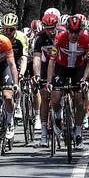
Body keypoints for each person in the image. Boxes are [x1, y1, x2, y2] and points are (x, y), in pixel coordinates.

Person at [46, 15, 89, 150]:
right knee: (55, 99)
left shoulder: (86, 40)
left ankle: (78, 133)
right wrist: (49, 81)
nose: (74, 34)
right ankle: (57, 117)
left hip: (78, 70)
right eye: (71, 31)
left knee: (80, 101)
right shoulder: (59, 38)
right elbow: (52, 60)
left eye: (77, 31)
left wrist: (84, 79)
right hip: (61, 69)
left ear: (81, 30)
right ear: (67, 29)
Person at [33, 13, 60, 146]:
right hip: (45, 67)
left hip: (60, 66)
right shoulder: (39, 38)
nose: (50, 31)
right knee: (44, 97)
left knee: (58, 96)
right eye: (47, 28)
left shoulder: (62, 35)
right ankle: (43, 132)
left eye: (53, 27)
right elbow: (37, 58)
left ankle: (60, 115)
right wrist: (37, 75)